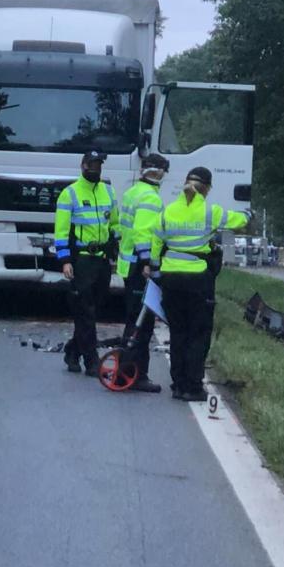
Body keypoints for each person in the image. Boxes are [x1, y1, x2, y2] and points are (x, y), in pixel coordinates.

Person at [150, 166, 251, 401]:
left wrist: (155, 269)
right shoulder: (209, 212)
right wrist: (248, 215)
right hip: (197, 279)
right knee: (198, 333)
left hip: (171, 279)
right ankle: (192, 387)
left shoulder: (168, 211)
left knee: (178, 332)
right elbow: (237, 221)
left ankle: (177, 384)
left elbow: (156, 240)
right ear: (207, 189)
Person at [53, 150, 119, 376]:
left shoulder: (108, 192)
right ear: (82, 166)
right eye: (91, 164)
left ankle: (72, 351)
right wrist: (65, 260)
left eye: (98, 164)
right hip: (81, 260)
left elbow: (115, 225)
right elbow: (61, 232)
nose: (95, 168)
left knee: (91, 310)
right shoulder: (69, 194)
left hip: (102, 260)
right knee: (85, 310)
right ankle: (92, 361)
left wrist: (116, 253)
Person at [115, 153, 170, 393]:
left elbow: (122, 228)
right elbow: (143, 232)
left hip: (128, 265)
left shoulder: (132, 192)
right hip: (140, 267)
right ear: (157, 173)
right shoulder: (150, 198)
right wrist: (148, 261)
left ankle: (126, 370)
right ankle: (134, 374)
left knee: (133, 320)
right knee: (142, 324)